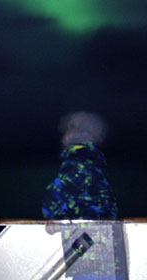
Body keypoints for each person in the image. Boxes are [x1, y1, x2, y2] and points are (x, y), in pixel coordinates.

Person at [41, 112, 126, 279]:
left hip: (91, 257)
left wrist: (56, 220)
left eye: (70, 127)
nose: (64, 132)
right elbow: (95, 205)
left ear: (80, 133)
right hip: (107, 253)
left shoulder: (77, 162)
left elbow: (53, 197)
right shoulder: (96, 161)